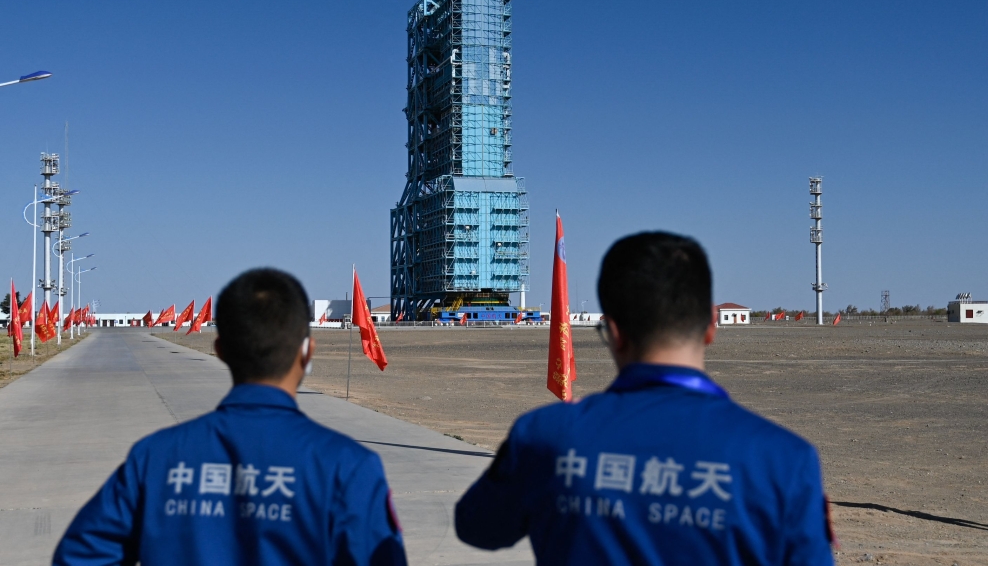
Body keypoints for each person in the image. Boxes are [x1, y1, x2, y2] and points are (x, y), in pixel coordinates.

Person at [455, 232, 834, 565]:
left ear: (614, 333)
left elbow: (476, 527)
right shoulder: (786, 460)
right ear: (711, 327)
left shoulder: (544, 436)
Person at [54, 268, 406, 565]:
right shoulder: (349, 467)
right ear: (307, 352)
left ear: (220, 350)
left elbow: (80, 555)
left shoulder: (155, 457)